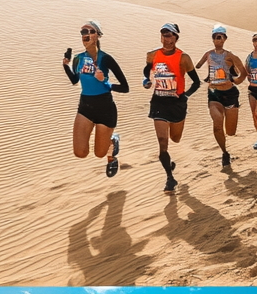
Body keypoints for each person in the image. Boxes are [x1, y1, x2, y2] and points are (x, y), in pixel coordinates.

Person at [63, 20, 128, 177]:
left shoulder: (106, 59)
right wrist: (65, 65)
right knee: (80, 152)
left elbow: (125, 87)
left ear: (98, 35)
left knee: (100, 153)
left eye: (90, 31)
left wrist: (105, 82)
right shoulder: (78, 59)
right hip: (85, 107)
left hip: (105, 109)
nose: (85, 35)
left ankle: (113, 141)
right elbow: (74, 80)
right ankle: (110, 139)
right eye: (83, 32)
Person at [142, 23, 201, 192]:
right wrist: (146, 81)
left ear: (176, 37)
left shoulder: (184, 58)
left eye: (169, 35)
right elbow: (147, 71)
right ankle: (170, 178)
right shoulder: (152, 55)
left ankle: (169, 164)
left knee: (176, 138)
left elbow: (196, 82)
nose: (166, 38)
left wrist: (185, 96)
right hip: (159, 102)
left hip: (177, 104)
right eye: (164, 35)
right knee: (162, 142)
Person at [194, 25, 247, 167]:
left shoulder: (230, 56)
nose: (218, 38)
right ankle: (224, 152)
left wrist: (236, 80)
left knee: (230, 132)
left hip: (230, 94)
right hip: (214, 94)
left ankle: (227, 141)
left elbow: (243, 72)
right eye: (215, 36)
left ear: (225, 38)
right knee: (217, 125)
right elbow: (196, 67)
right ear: (212, 38)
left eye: (220, 36)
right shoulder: (208, 54)